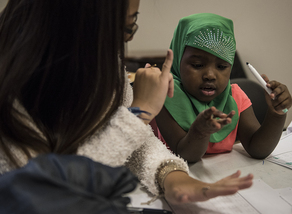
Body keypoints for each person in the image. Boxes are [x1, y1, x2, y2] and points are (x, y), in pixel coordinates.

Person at [0, 0, 253, 206]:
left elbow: (134, 144)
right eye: (125, 27)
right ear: (73, 25)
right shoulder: (10, 93)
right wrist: (139, 112)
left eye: (131, 25)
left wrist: (171, 175)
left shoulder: (106, 71)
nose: (126, 41)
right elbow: (40, 194)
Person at [155, 13, 292, 163]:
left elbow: (258, 149)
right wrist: (200, 132)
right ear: (178, 60)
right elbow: (185, 156)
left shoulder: (235, 97)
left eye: (221, 66)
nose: (210, 75)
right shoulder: (166, 95)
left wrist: (277, 113)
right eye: (197, 65)